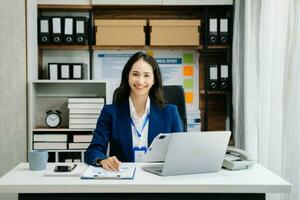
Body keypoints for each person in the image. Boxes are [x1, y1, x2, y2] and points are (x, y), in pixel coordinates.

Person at [85, 52, 183, 171]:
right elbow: (93, 150)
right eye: (135, 74)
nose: (140, 81)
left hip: (158, 179)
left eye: (147, 75)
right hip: (124, 179)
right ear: (128, 76)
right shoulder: (110, 113)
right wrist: (102, 159)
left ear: (154, 80)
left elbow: (180, 152)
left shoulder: (170, 112)